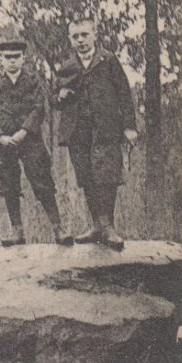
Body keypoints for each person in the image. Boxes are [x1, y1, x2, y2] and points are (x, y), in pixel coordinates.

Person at [55, 18, 138, 250]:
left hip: (105, 128)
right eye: (75, 36)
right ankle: (95, 226)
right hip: (78, 131)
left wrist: (129, 127)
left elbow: (124, 94)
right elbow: (55, 99)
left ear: (94, 35)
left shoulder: (108, 60)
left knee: (107, 175)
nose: (80, 40)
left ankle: (108, 227)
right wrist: (59, 96)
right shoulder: (68, 66)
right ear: (70, 40)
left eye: (84, 35)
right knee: (87, 176)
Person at [0, 34, 63, 246]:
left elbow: (39, 109)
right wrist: (0, 137)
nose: (12, 61)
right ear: (1, 59)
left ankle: (58, 228)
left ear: (24, 57)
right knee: (9, 185)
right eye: (7, 57)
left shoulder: (34, 81)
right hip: (5, 145)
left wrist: (24, 131)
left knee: (42, 182)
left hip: (31, 142)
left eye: (16, 56)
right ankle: (17, 231)